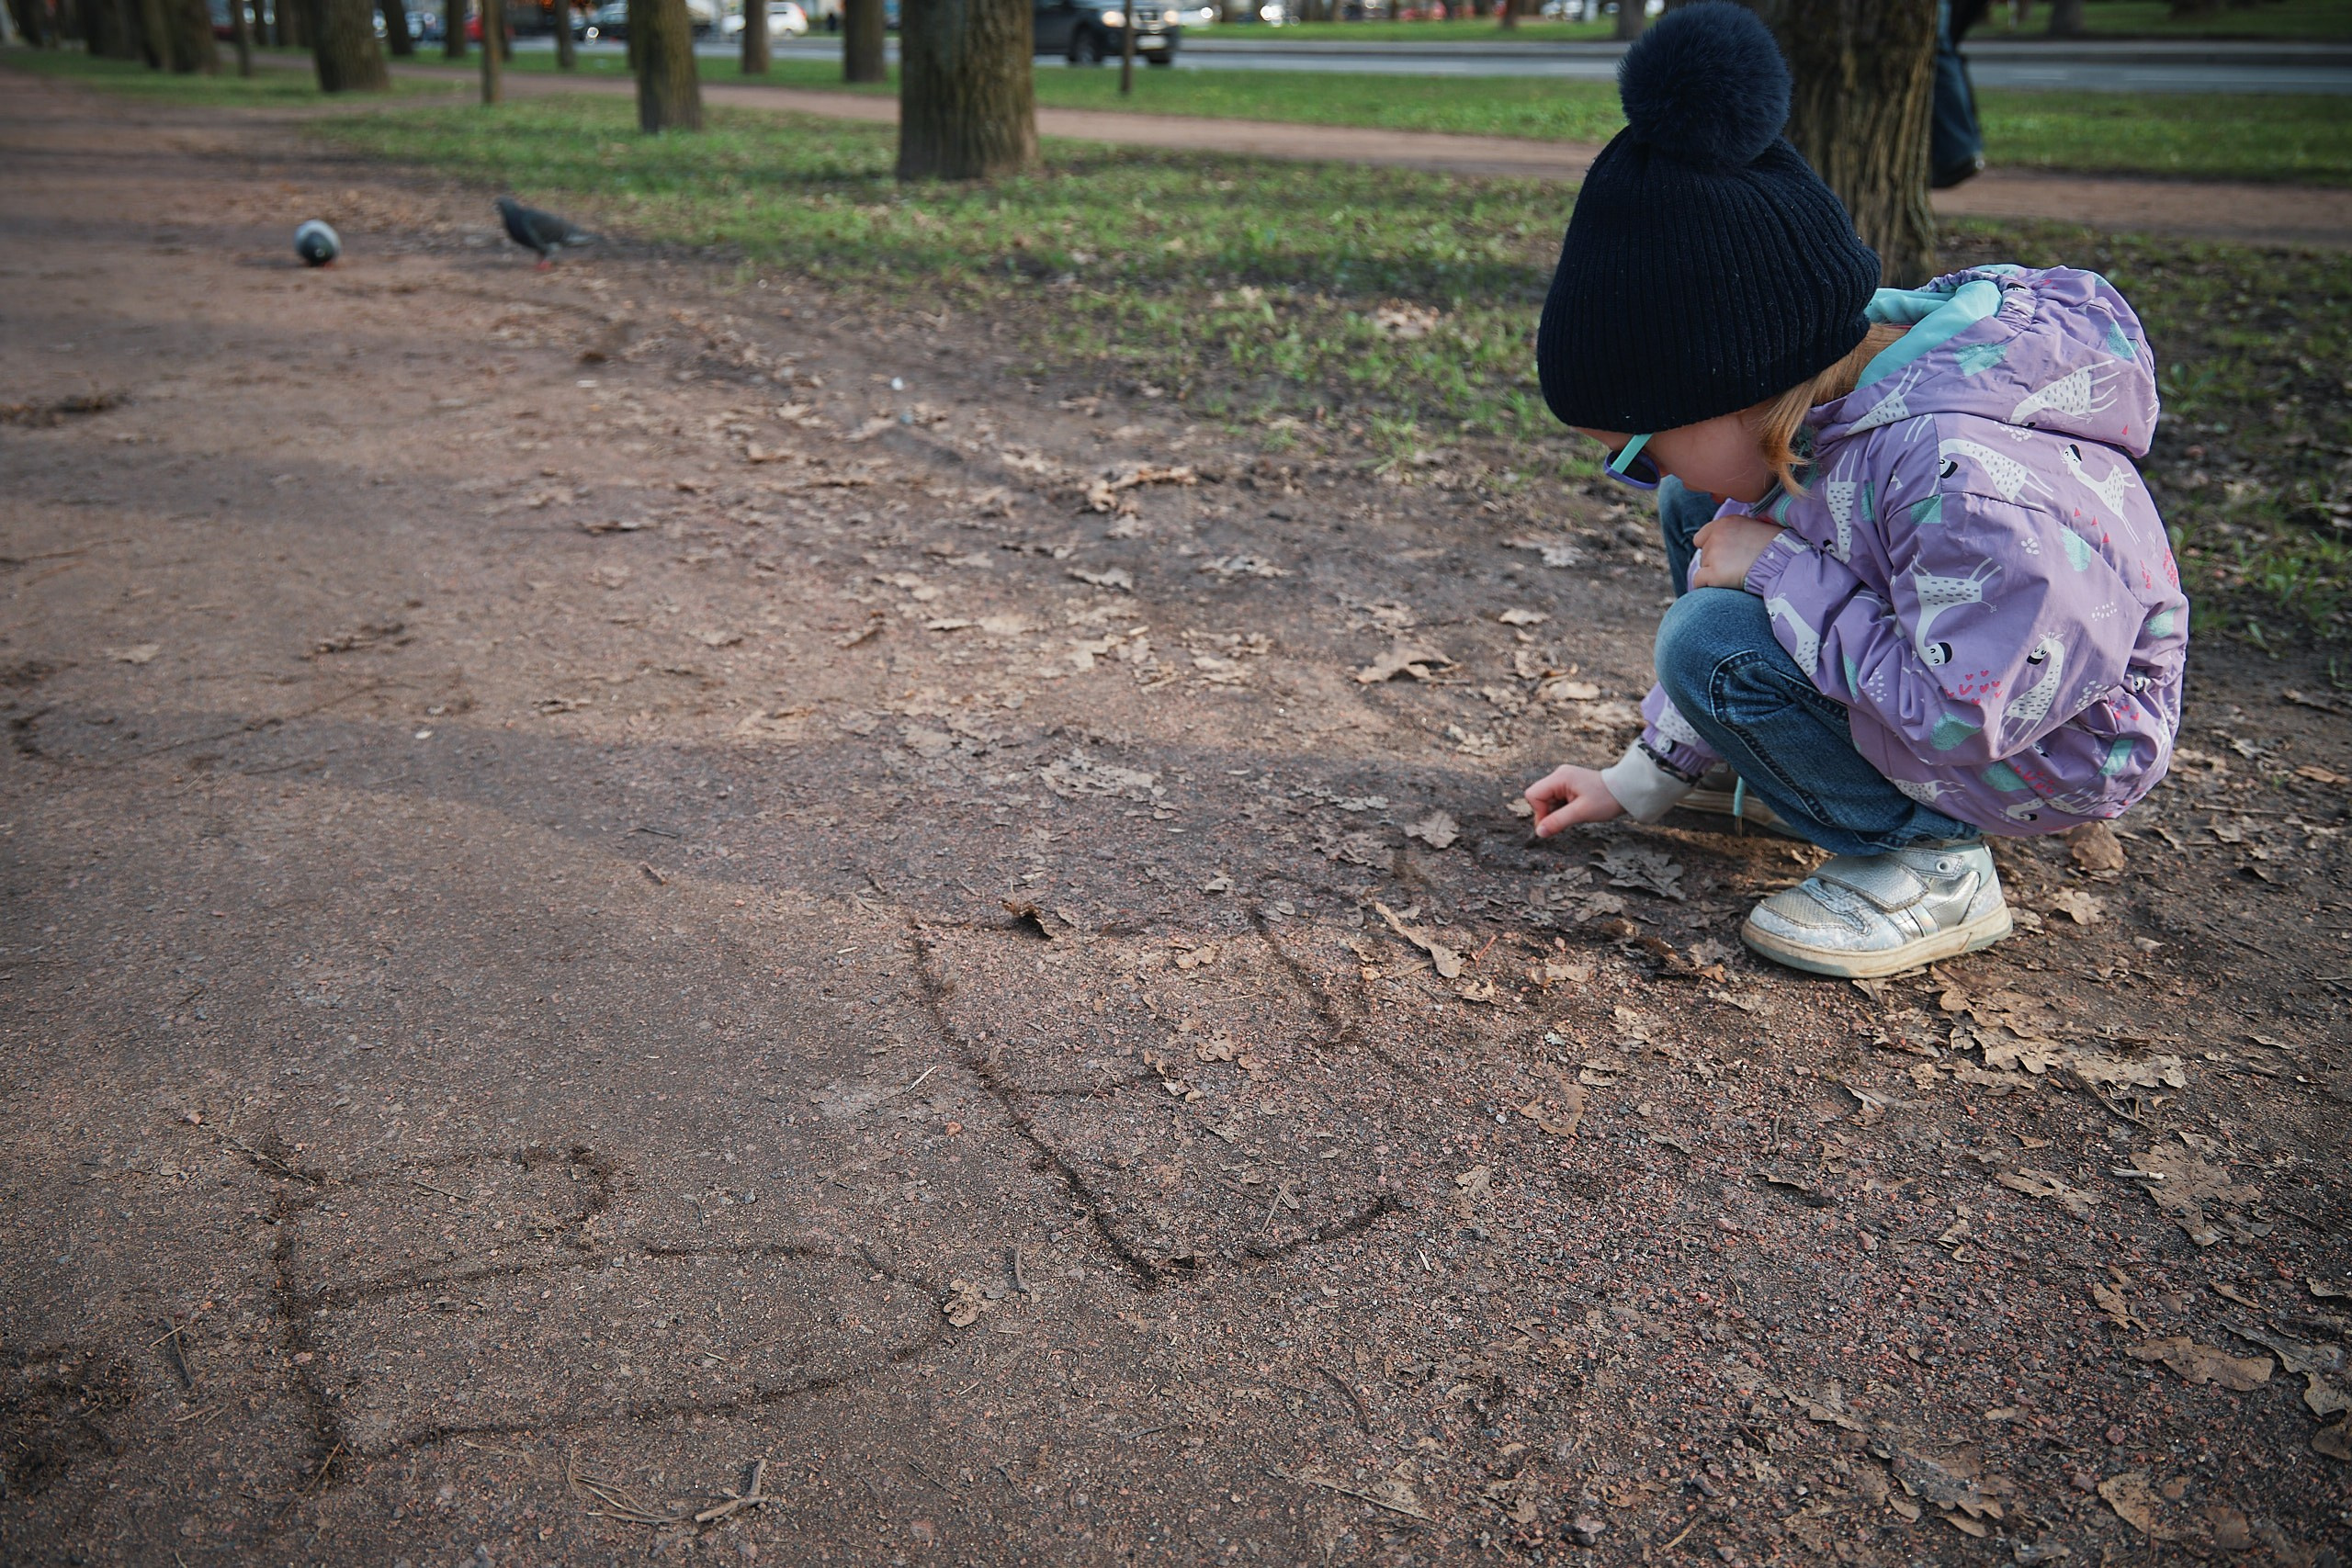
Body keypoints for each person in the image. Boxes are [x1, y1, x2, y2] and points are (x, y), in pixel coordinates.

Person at [1521, 2, 2186, 979]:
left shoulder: (1961, 479)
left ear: (1730, 392)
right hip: (1949, 687)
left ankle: (1927, 861)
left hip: (2050, 745)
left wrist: (1781, 572)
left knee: (1711, 626)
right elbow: (1753, 546)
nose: (1634, 477)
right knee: (1704, 526)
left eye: (1638, 450)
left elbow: (1967, 712)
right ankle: (1763, 755)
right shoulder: (1816, 425)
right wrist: (1645, 774)